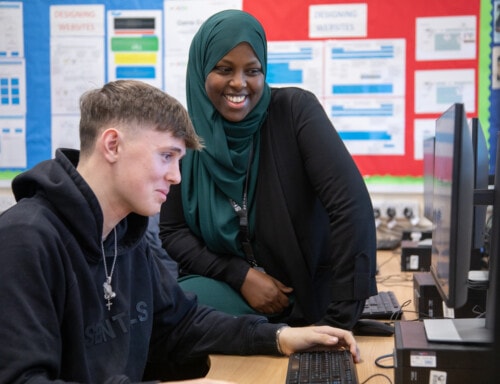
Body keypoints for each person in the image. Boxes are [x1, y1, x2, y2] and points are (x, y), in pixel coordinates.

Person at [0, 80, 360, 384]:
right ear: (112, 145)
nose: (176, 176)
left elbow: (183, 322)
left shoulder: (125, 236)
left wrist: (280, 337)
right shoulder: (25, 241)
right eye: (166, 156)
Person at [159, 9, 377, 329]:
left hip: (309, 294)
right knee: (171, 312)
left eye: (253, 70)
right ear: (201, 70)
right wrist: (240, 276)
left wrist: (342, 316)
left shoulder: (294, 112)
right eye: (223, 68)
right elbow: (173, 230)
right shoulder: (184, 137)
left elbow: (350, 207)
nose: (239, 83)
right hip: (232, 288)